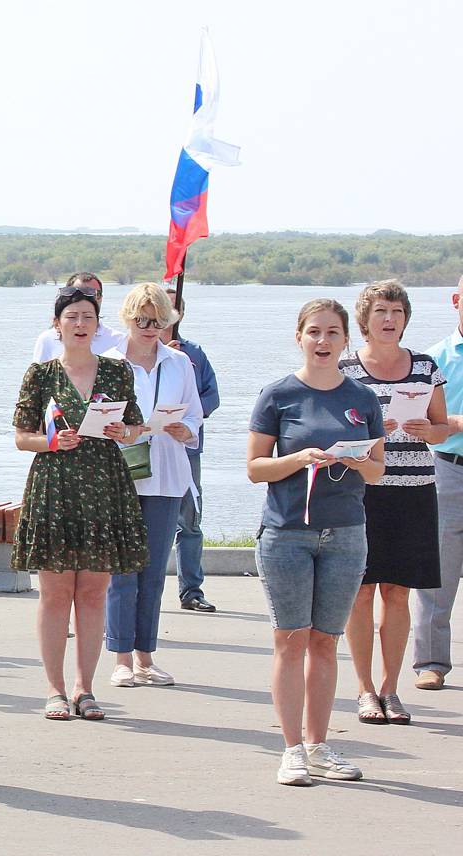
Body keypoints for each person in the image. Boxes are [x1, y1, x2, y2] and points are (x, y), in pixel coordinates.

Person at [248, 298, 384, 785]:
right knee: (290, 640)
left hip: (346, 532)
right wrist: (298, 458)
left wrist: (351, 459)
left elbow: (378, 469)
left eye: (332, 332)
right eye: (314, 332)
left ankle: (319, 744)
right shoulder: (277, 395)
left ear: (346, 339)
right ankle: (290, 751)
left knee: (325, 642)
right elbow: (255, 468)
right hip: (287, 533)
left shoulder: (363, 399)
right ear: (299, 337)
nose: (322, 341)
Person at [11, 283, 148, 721]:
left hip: (103, 484)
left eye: (88, 316)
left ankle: (84, 688)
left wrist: (122, 432)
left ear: (97, 324)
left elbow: (134, 428)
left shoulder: (116, 371)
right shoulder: (41, 374)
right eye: (72, 317)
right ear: (57, 324)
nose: (80, 324)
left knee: (93, 592)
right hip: (55, 484)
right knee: (54, 593)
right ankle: (54, 690)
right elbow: (20, 437)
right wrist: (51, 441)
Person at [339, 281, 451, 724]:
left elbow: (443, 428)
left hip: (415, 490)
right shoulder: (346, 367)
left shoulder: (424, 365)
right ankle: (365, 689)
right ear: (365, 319)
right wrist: (371, 432)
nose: (390, 319)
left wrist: (429, 430)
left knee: (399, 592)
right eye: (382, 311)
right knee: (361, 592)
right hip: (362, 491)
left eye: (398, 312)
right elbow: (331, 433)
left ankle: (391, 688)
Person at [104, 284, 203, 689]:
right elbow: (97, 420)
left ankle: (146, 656)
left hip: (166, 473)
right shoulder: (107, 362)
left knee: (154, 569)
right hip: (120, 474)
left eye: (158, 321)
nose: (149, 328)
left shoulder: (179, 363)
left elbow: (195, 416)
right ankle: (122, 658)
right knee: (121, 569)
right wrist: (126, 430)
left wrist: (183, 428)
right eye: (142, 320)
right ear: (128, 319)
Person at [414, 273, 463, 690]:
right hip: (448, 467)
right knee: (438, 572)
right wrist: (454, 423)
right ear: (455, 300)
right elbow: (420, 422)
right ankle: (431, 662)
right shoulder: (434, 360)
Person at [162, 287, 221, 612]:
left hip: (186, 451)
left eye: (172, 308)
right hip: (149, 452)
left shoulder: (194, 354)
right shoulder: (135, 351)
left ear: (180, 314)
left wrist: (190, 413)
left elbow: (212, 396)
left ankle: (192, 591)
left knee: (190, 522)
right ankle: (140, 591)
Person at [30, 272, 127, 361]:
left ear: (101, 298)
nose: (87, 298)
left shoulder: (119, 341)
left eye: (94, 293)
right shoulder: (47, 340)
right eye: (80, 293)